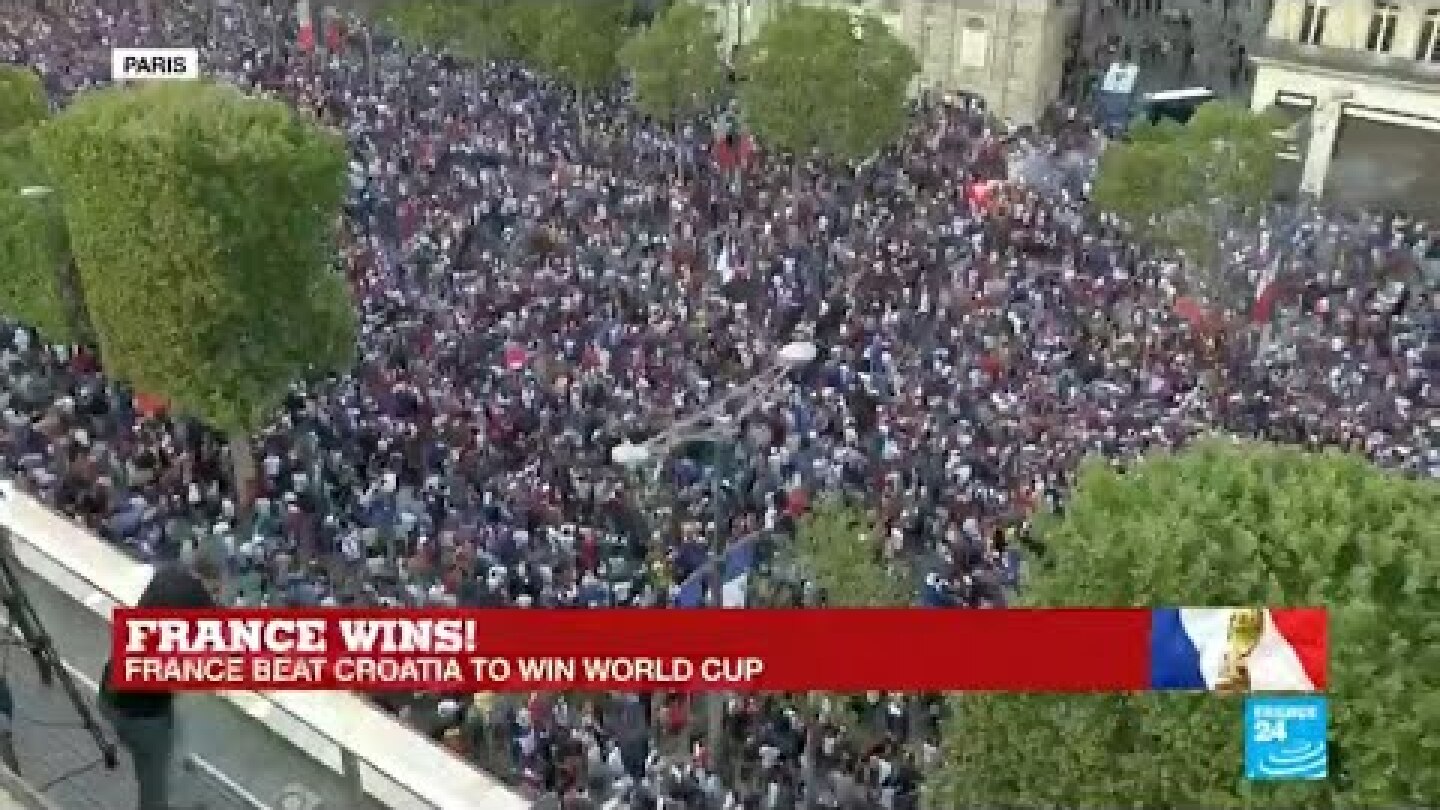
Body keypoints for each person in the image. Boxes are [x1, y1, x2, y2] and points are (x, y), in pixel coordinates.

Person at [99, 556, 222, 810]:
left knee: (174, 732)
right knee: (154, 787)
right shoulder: (201, 604)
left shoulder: (165, 575)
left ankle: (174, 769)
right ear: (211, 584)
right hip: (141, 716)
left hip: (109, 692)